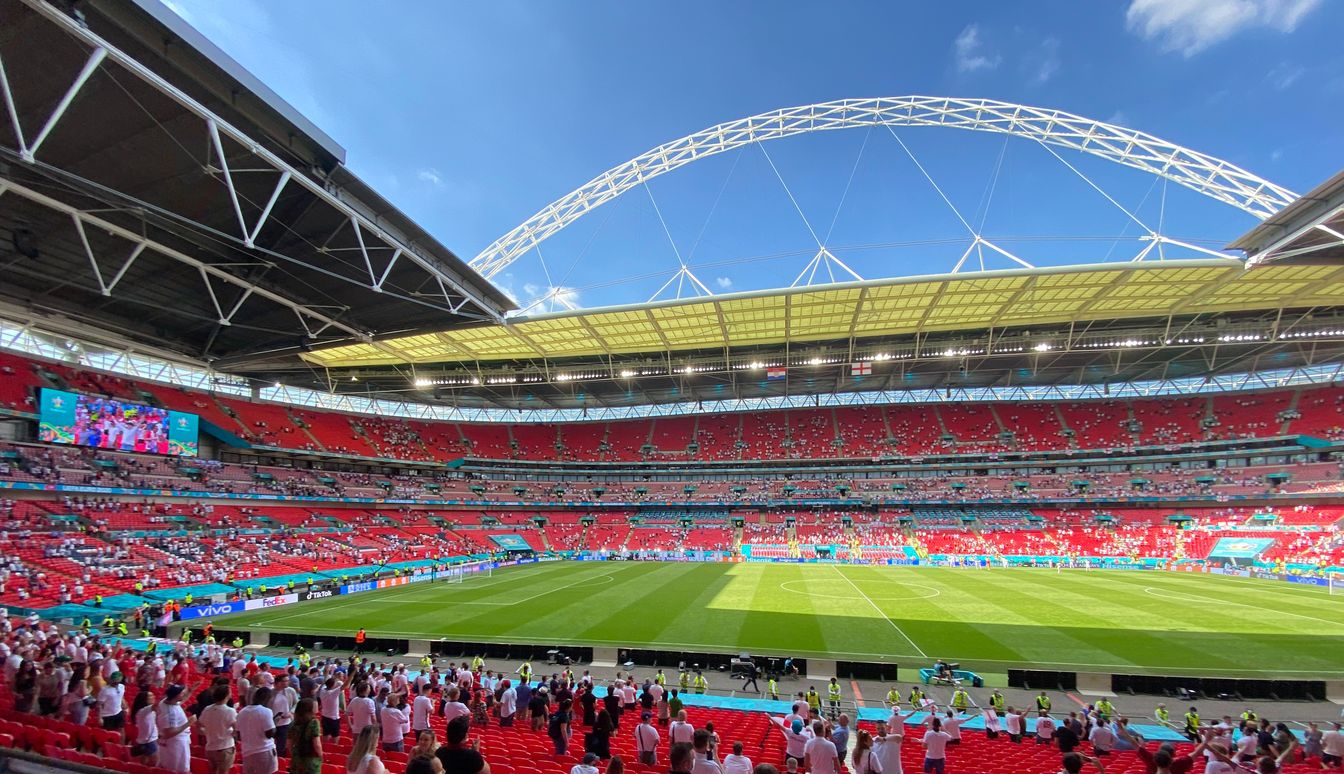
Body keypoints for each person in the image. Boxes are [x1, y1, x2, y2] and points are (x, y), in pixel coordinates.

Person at [237, 687, 278, 774]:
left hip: (247, 752)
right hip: (264, 750)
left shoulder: (242, 712)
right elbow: (269, 734)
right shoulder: (266, 711)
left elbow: (238, 735)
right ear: (267, 699)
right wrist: (275, 723)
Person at [200, 684, 238, 774]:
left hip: (210, 747)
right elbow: (237, 729)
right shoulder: (230, 711)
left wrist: (209, 732)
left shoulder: (207, 709)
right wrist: (231, 734)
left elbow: (200, 725)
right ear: (227, 695)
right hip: (224, 747)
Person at [156, 685, 193, 774]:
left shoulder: (165, 702)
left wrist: (191, 691)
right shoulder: (170, 713)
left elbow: (180, 701)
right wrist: (188, 723)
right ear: (177, 696)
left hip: (175, 742)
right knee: (178, 769)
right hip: (176, 744)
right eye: (182, 693)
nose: (183, 693)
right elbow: (168, 733)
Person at [288, 698, 324, 774]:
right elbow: (317, 744)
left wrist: (294, 754)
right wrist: (321, 755)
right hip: (310, 759)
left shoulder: (293, 724)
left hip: (297, 758)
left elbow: (289, 744)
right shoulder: (314, 723)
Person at [131, 690, 160, 766]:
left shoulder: (146, 711)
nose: (153, 697)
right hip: (149, 741)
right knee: (155, 762)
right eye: (150, 696)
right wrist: (168, 693)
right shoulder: (143, 711)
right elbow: (157, 704)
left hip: (147, 740)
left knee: (145, 761)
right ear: (144, 699)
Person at [98, 671, 128, 738]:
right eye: (114, 680)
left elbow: (121, 697)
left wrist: (125, 707)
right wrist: (99, 718)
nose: (116, 682)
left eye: (118, 680)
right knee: (109, 734)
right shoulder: (104, 690)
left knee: (122, 731)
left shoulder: (122, 687)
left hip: (119, 712)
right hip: (107, 715)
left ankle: (122, 747)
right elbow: (99, 704)